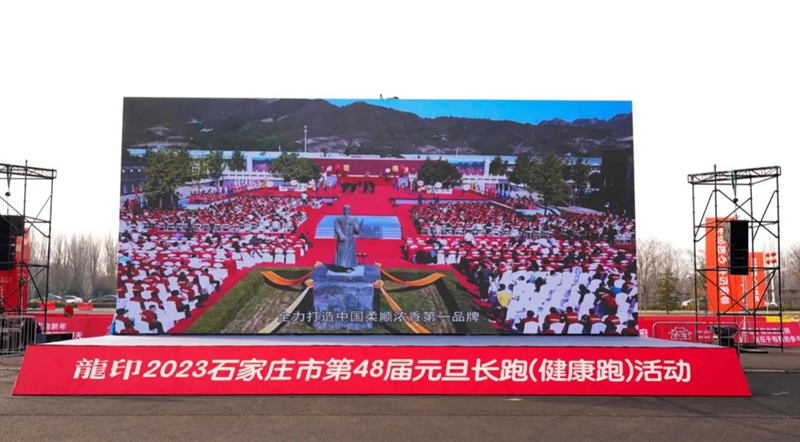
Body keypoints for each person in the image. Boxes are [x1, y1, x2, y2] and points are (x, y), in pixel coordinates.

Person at [333, 205, 364, 272]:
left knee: (349, 253)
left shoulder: (353, 218)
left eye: (348, 209)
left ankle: (348, 267)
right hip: (342, 239)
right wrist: (341, 235)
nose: (346, 211)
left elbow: (356, 230)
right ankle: (341, 265)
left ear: (350, 210)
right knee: (341, 252)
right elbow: (337, 227)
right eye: (345, 209)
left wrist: (356, 227)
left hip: (350, 239)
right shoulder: (339, 218)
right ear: (343, 210)